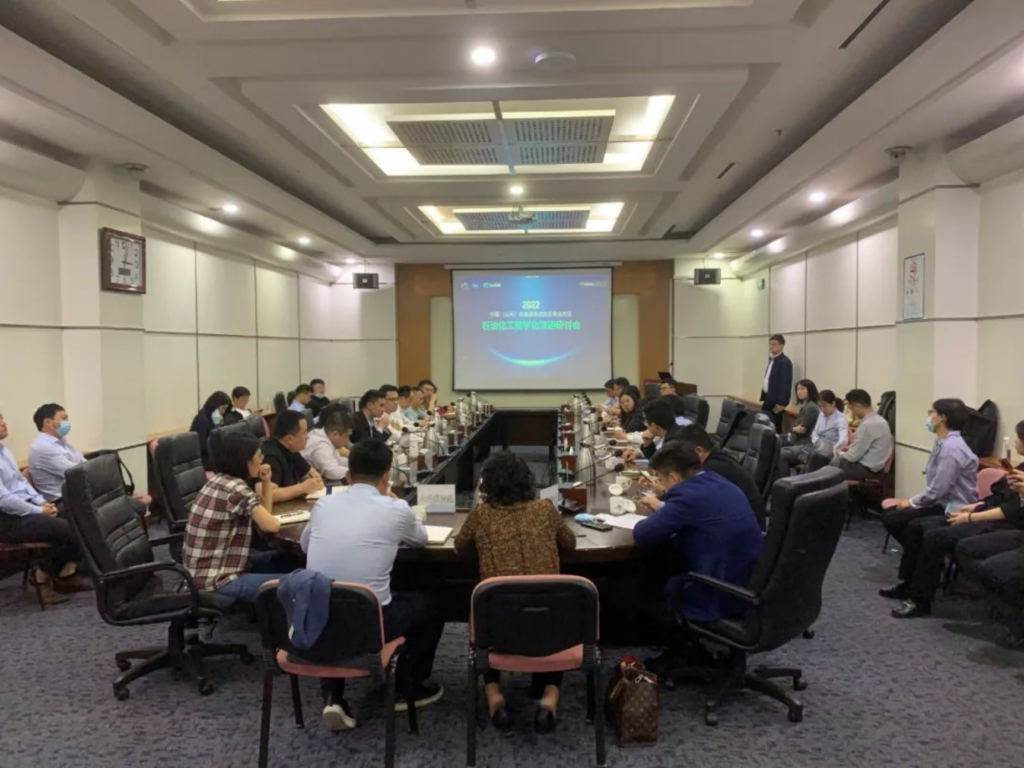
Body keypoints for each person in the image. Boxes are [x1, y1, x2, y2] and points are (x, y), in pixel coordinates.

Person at [302, 440, 444, 730]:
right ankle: (408, 686)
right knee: (431, 604)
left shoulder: (323, 504)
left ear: (348, 476)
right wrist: (395, 505)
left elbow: (305, 545)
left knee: (331, 595)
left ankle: (333, 696)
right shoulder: (396, 508)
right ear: (386, 476)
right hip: (371, 623)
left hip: (316, 620)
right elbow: (419, 539)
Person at [454, 451, 577, 734]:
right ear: (527, 481)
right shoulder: (545, 509)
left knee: (488, 609)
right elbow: (569, 544)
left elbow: (459, 547)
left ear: (486, 485)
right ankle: (549, 698)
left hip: (499, 629)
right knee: (552, 608)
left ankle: (494, 696)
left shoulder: (481, 514)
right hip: (549, 627)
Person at [632, 442, 763, 666]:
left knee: (649, 579)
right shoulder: (718, 481)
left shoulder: (685, 497)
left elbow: (643, 534)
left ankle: (681, 651)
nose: (660, 483)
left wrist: (663, 507)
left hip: (718, 592)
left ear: (674, 478)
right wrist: (665, 505)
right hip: (750, 584)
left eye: (661, 478)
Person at [883, 423, 1024, 619]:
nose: (1015, 442)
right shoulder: (1020, 468)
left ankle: (920, 600)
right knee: (917, 527)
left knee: (935, 536)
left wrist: (970, 517)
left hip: (1001, 523)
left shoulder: (954, 448)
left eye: (1018, 438)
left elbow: (1010, 511)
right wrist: (977, 505)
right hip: (985, 511)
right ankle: (908, 584)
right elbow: (999, 496)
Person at [183, 432, 288, 603]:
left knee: (285, 558)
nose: (262, 460)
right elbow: (271, 526)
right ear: (245, 461)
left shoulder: (219, 480)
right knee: (297, 583)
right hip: (216, 581)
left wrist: (266, 481)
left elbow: (265, 515)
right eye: (258, 456)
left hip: (205, 573)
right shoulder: (236, 489)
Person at [0, 410, 89, 605]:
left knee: (79, 518)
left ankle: (65, 575)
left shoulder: (4, 451)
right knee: (69, 530)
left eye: (2, 417)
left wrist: (41, 502)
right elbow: (4, 500)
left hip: (26, 508)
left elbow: (21, 484)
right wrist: (38, 511)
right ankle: (40, 578)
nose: (3, 422)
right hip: (7, 520)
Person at [881, 398, 977, 549]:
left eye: (932, 412)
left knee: (899, 520)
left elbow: (939, 489)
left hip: (953, 506)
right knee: (892, 516)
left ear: (942, 417)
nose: (929, 417)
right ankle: (919, 552)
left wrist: (912, 502)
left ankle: (919, 553)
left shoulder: (951, 448)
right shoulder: (943, 442)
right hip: (940, 502)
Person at [637, 424, 765, 530]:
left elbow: (687, 505)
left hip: (740, 533)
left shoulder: (711, 470)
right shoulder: (715, 460)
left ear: (698, 451)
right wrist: (663, 487)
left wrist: (661, 503)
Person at [260, 410, 324, 502]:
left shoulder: (292, 450)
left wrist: (315, 482)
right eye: (304, 433)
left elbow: (312, 474)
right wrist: (303, 487)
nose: (307, 437)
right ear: (289, 439)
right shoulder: (270, 457)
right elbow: (268, 495)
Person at [829, 389, 893, 480]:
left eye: (851, 409)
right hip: (875, 467)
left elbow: (852, 457)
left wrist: (840, 454)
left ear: (857, 406)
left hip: (865, 470)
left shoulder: (868, 425)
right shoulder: (880, 420)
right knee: (829, 464)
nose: (852, 413)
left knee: (827, 468)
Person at [27, 403, 84, 503]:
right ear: (48, 422)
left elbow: (83, 463)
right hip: (62, 502)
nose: (67, 422)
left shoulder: (63, 442)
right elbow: (76, 473)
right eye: (64, 418)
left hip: (76, 494)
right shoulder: (42, 447)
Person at [777, 380, 821, 476]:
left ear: (810, 390)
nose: (799, 392)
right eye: (798, 389)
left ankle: (784, 479)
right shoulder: (806, 405)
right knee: (774, 440)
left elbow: (801, 430)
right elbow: (796, 428)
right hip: (797, 439)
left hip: (805, 443)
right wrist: (795, 429)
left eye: (802, 389)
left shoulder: (811, 408)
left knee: (778, 451)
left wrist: (794, 429)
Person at [300, 407, 353, 483]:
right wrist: (357, 473)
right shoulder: (320, 445)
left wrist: (357, 465)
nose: (347, 440)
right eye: (346, 436)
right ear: (335, 434)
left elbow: (338, 460)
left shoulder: (324, 436)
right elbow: (331, 471)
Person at [191, 391, 231, 471]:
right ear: (215, 406)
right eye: (223, 408)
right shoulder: (202, 420)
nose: (224, 411)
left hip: (213, 454)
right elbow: (201, 446)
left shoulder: (216, 417)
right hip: (204, 458)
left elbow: (222, 433)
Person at [760, 334, 793, 431]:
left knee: (774, 427)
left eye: (774, 344)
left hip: (776, 402)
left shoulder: (784, 362)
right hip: (767, 398)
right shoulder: (772, 360)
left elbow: (786, 384)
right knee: (764, 426)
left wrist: (782, 403)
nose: (771, 346)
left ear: (782, 345)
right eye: (770, 344)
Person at [809, 390, 849, 456]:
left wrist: (833, 449)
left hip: (829, 449)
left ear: (833, 403)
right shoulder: (821, 414)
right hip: (816, 445)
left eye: (824, 406)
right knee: (794, 452)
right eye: (820, 406)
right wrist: (816, 442)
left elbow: (843, 440)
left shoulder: (841, 419)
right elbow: (815, 432)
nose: (822, 409)